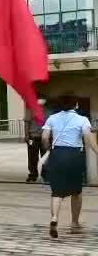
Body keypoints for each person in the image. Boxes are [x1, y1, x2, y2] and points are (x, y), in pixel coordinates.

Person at [41, 95, 98, 238]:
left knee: (57, 192)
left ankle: (54, 218)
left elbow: (44, 137)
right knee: (76, 192)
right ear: (76, 105)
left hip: (57, 155)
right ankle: (74, 223)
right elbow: (90, 139)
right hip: (74, 156)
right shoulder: (82, 119)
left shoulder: (52, 118)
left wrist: (49, 149)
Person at [25, 98, 48, 183]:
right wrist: (27, 136)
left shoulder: (47, 110)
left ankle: (46, 175)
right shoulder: (31, 109)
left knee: (45, 157)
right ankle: (33, 175)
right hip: (33, 137)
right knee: (32, 157)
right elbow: (27, 122)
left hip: (44, 137)